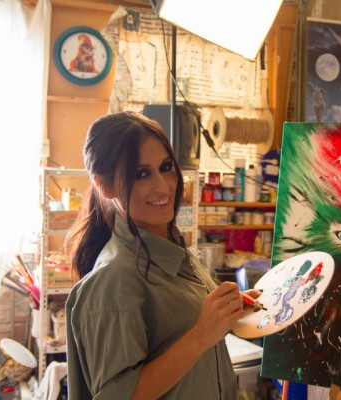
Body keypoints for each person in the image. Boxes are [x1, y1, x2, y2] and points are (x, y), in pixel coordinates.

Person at [64, 111, 259, 399]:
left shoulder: (172, 249)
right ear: (105, 185)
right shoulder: (113, 282)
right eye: (140, 174)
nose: (164, 186)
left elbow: (181, 327)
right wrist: (200, 336)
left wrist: (230, 311)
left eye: (166, 167)